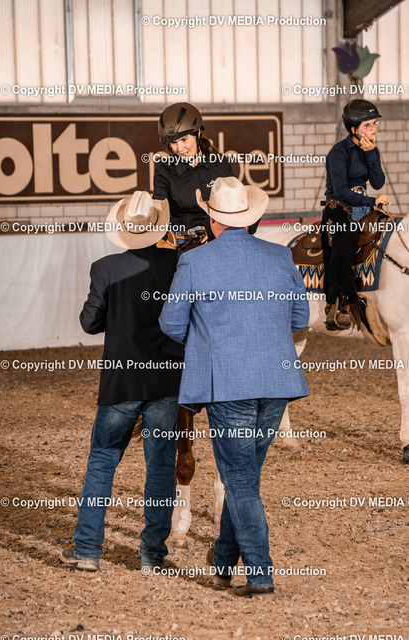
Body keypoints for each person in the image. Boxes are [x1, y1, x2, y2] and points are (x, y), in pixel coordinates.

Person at [159, 177, 310, 596]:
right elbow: (301, 318)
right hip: (277, 382)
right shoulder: (281, 256)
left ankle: (260, 574)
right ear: (249, 218)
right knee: (244, 475)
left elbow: (171, 323)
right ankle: (224, 562)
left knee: (240, 479)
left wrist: (208, 342)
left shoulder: (195, 262)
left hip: (227, 384)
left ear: (212, 219)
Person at [59, 191, 184, 572]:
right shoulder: (179, 264)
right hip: (165, 381)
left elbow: (89, 323)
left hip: (121, 382)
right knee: (160, 467)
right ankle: (152, 556)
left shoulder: (105, 267)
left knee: (102, 461)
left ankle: (87, 550)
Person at [322, 99, 390, 330]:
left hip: (362, 206)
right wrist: (372, 201)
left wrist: (371, 155)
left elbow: (378, 182)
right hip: (339, 207)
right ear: (353, 129)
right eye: (367, 126)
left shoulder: (371, 149)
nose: (373, 129)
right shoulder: (338, 152)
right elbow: (341, 190)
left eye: (375, 124)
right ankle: (335, 302)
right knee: (344, 242)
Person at [154, 101, 261, 244]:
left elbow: (234, 206)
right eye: (174, 143)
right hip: (180, 244)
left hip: (218, 240)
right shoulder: (164, 170)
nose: (179, 148)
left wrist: (212, 234)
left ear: (198, 133)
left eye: (184, 139)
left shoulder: (220, 164)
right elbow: (161, 215)